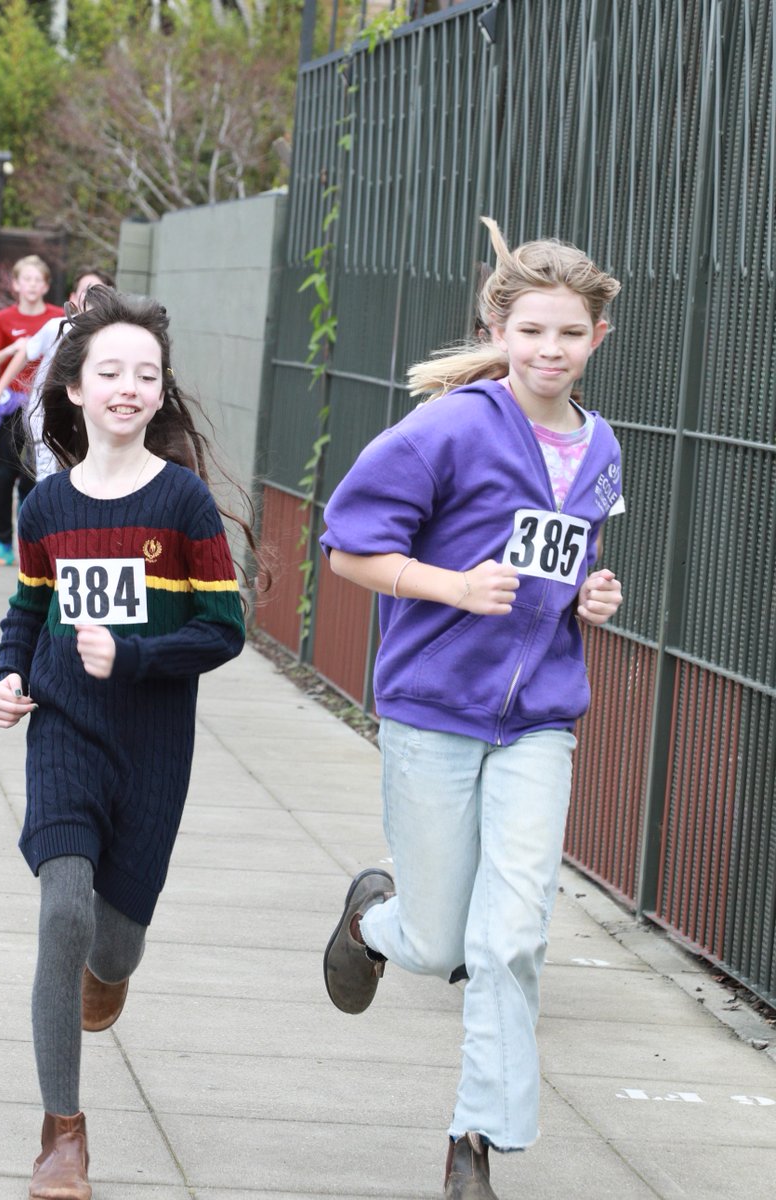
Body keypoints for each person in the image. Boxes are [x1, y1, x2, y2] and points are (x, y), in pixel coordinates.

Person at [318, 218, 624, 1199]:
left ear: (596, 340)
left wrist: (592, 598)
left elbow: (564, 566)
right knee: (441, 942)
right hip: (435, 711)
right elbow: (347, 551)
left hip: (539, 718)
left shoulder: (602, 447)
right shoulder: (446, 428)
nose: (549, 350)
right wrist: (451, 587)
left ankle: (473, 1143)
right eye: (532, 330)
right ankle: (373, 921)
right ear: (501, 325)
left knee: (512, 938)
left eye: (569, 335)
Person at [0, 286, 254, 1200]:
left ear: (161, 391)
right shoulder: (47, 508)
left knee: (115, 942)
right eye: (111, 373)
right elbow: (28, 607)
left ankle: (113, 969)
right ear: (74, 390)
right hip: (64, 731)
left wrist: (134, 656)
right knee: (61, 909)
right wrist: (8, 675)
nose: (130, 388)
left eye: (147, 374)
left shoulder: (181, 504)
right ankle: (62, 1134)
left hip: (152, 747)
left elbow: (224, 628)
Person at [0, 266, 116, 484]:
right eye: (86, 291)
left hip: (89, 415)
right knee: (44, 477)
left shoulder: (114, 336)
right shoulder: (58, 327)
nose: (92, 297)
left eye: (98, 291)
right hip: (48, 414)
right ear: (74, 298)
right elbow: (24, 353)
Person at [0, 255, 64, 566]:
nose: (32, 285)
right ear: (15, 284)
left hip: (44, 406)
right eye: (25, 279)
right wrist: (13, 349)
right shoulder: (3, 318)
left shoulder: (56, 318)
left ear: (46, 286)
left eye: (38, 280)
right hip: (11, 406)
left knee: (34, 477)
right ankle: (2, 540)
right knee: (3, 477)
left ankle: (30, 541)